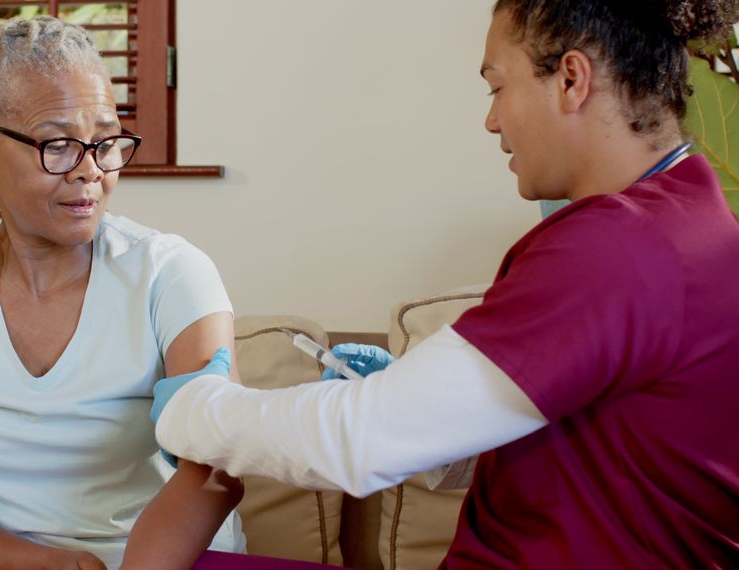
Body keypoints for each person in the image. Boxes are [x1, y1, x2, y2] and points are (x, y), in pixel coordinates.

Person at [151, 0, 739, 567]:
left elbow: (363, 441)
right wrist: (414, 395)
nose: (491, 120)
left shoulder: (617, 246)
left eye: (497, 87)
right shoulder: (693, 218)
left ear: (571, 79)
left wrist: (192, 410)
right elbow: (585, 449)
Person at [0, 16, 246, 570]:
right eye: (58, 146)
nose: (90, 171)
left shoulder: (171, 273)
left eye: (105, 142)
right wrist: (49, 564)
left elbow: (217, 471)